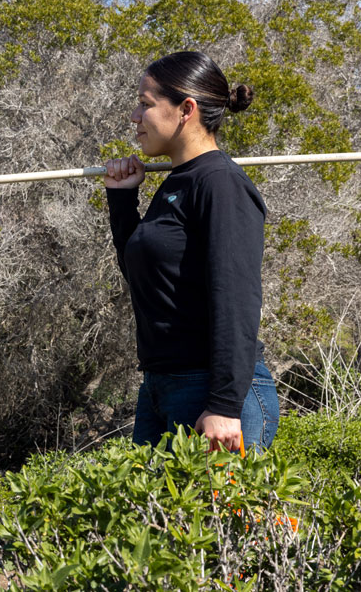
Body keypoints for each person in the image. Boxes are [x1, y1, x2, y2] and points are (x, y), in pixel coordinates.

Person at [103, 51, 279, 453]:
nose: (134, 117)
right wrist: (121, 201)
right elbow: (150, 283)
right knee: (154, 517)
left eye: (146, 104)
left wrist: (223, 404)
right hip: (163, 386)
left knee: (214, 517)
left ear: (186, 109)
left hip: (210, 393)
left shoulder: (220, 183)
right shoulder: (177, 181)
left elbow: (237, 298)